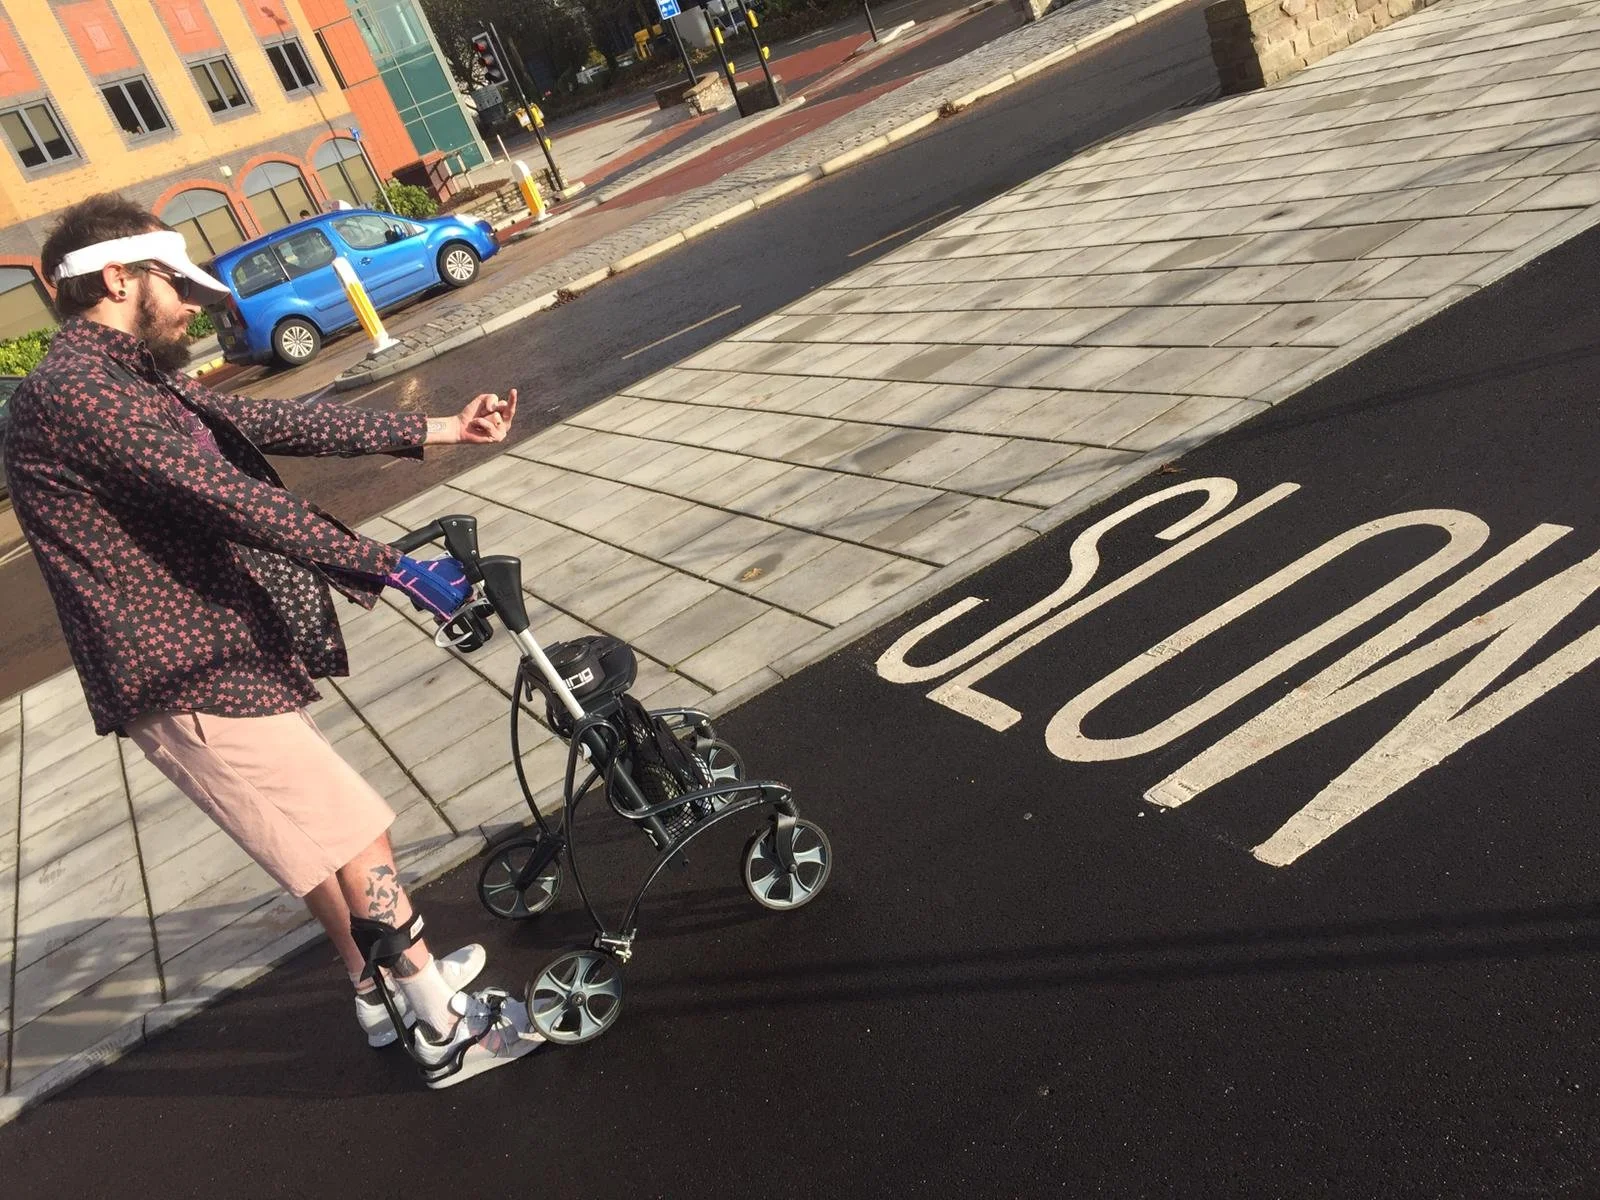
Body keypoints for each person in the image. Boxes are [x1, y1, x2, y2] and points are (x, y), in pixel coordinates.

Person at [3, 193, 540, 1088]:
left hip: (216, 650)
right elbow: (227, 497)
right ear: (118, 279)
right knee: (356, 833)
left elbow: (271, 423)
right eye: (177, 287)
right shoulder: (74, 394)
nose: (192, 307)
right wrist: (389, 567)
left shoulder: (124, 377)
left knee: (319, 840)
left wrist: (436, 427)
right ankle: (445, 1029)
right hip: (184, 671)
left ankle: (377, 991)